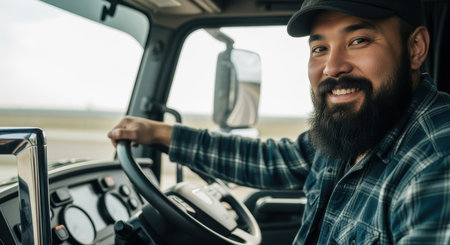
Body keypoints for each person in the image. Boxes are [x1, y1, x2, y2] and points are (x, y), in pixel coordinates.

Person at [108, 0, 450, 244]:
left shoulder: (436, 162)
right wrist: (164, 134)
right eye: (319, 49)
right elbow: (271, 160)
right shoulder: (355, 131)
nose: (333, 67)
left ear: (416, 48)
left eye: (358, 41)